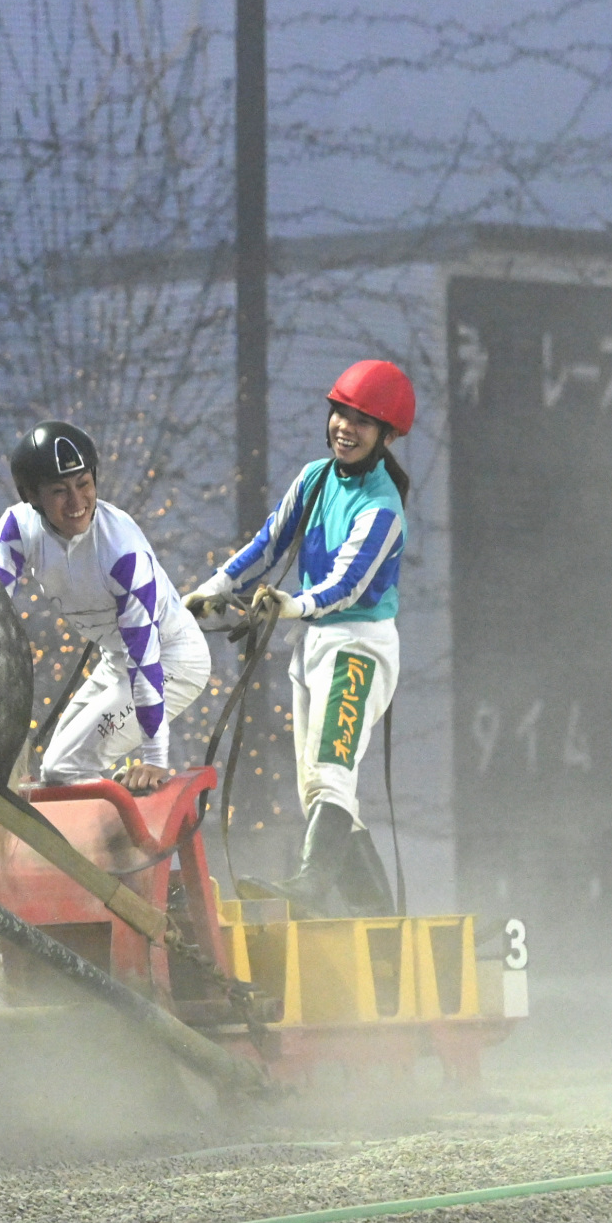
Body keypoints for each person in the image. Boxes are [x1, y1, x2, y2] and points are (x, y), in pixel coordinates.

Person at [183, 359, 415, 918]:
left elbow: (347, 583)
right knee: (320, 791)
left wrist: (294, 605)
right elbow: (267, 544)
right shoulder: (313, 479)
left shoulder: (383, 509)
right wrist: (211, 589)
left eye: (362, 420)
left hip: (358, 648)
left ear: (385, 436)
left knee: (333, 775)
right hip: (312, 646)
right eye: (341, 412)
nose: (345, 426)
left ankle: (313, 883)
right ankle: (384, 926)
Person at [0, 421, 210, 792]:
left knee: (65, 768)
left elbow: (144, 659)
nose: (77, 503)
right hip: (116, 662)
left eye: (84, 484)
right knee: (53, 774)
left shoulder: (123, 553)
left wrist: (155, 759)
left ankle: (121, 841)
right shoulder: (16, 527)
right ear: (31, 495)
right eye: (59, 491)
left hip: (171, 661)